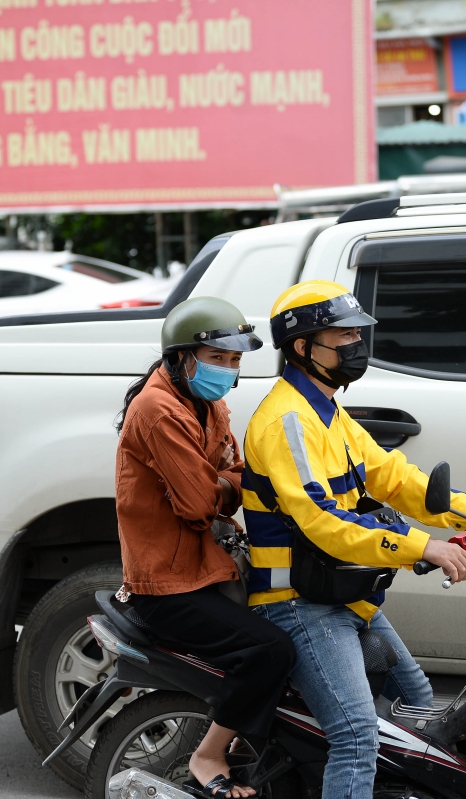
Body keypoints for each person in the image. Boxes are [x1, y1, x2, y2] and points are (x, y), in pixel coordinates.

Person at [242, 280, 466, 799]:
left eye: (359, 334)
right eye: (343, 335)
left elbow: (394, 477)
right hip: (298, 602)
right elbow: (324, 523)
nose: (357, 345)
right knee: (356, 737)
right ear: (303, 347)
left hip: (344, 592)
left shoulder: (329, 412)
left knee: (419, 702)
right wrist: (426, 548)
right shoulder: (288, 420)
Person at [115, 297, 296, 799]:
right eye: (218, 358)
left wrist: (219, 484)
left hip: (206, 568)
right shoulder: (157, 409)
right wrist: (220, 486)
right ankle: (211, 752)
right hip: (167, 583)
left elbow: (237, 474)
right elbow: (199, 504)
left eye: (235, 360)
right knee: (268, 650)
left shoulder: (207, 402)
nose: (227, 369)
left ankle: (247, 744)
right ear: (182, 357)